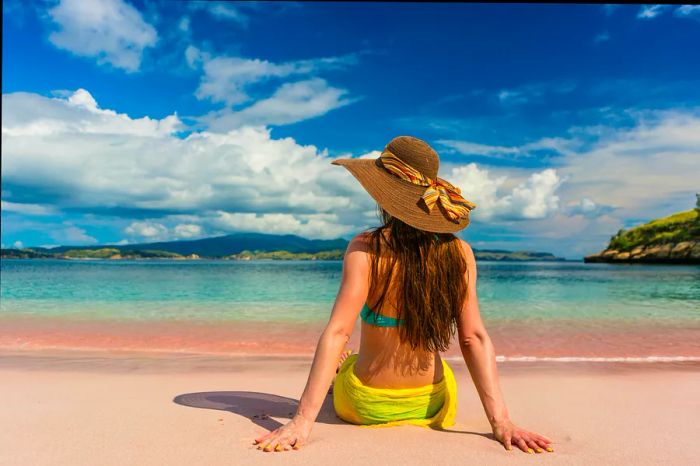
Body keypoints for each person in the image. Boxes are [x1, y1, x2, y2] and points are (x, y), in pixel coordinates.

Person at [253, 136, 554, 454]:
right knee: (443, 370)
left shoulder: (366, 247)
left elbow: (339, 331)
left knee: (348, 359)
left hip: (364, 404)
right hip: (431, 405)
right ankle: (351, 368)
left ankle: (341, 371)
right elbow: (473, 339)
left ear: (384, 198)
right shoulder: (460, 253)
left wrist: (301, 422)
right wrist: (503, 423)